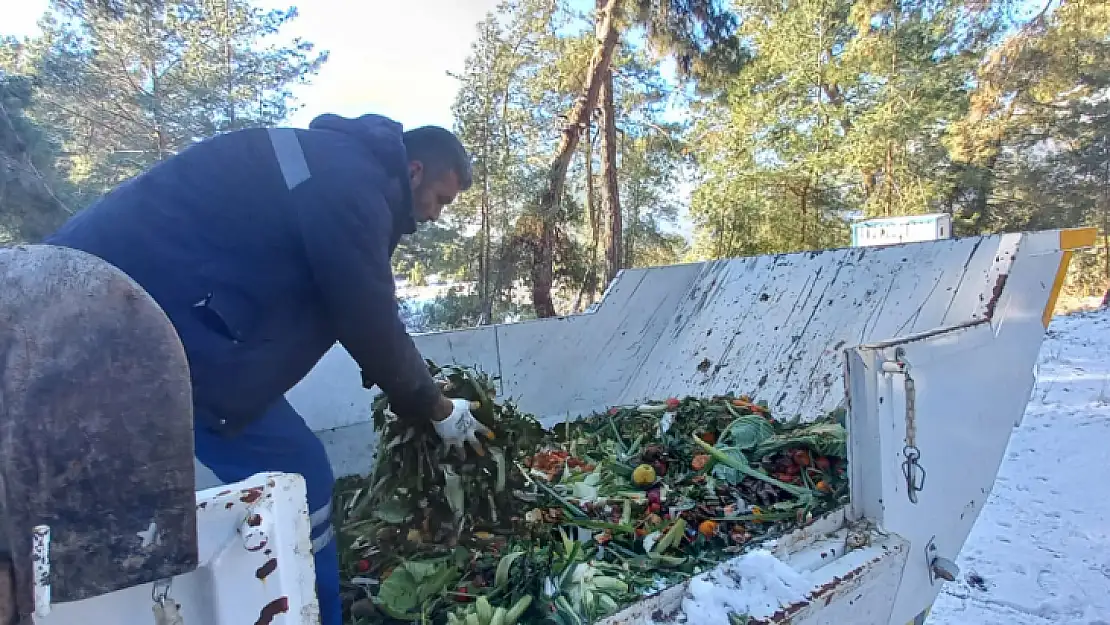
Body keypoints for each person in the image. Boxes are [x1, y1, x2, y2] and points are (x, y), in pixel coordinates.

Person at [43, 113, 491, 625]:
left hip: (152, 321)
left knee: (294, 466)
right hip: (121, 330)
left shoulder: (334, 166)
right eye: (440, 199)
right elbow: (366, 313)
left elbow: (333, 304)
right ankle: (311, 610)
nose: (434, 215)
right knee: (299, 474)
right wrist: (434, 406)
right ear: (413, 171)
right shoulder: (350, 185)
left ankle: (304, 599)